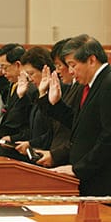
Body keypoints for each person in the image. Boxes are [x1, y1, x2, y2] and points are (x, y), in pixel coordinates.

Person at [40, 34, 111, 197]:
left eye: (73, 65)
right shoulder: (89, 86)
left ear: (91, 60)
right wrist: (55, 104)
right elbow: (81, 126)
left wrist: (78, 169)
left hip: (107, 184)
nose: (70, 71)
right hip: (91, 180)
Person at [33, 38, 82, 168]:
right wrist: (43, 94)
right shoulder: (68, 87)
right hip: (57, 157)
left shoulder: (82, 89)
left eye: (59, 65)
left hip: (68, 161)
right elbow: (54, 122)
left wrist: (55, 155)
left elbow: (76, 128)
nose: (58, 70)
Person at [10, 46, 56, 159]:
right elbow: (24, 124)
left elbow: (53, 132)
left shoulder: (56, 93)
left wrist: (31, 144)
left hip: (49, 157)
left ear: (45, 70)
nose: (30, 79)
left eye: (32, 74)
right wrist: (21, 97)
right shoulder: (36, 93)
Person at [0, 43, 31, 144]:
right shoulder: (13, 84)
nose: (3, 72)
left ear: (18, 65)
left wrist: (13, 138)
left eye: (5, 67)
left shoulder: (30, 88)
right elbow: (9, 103)